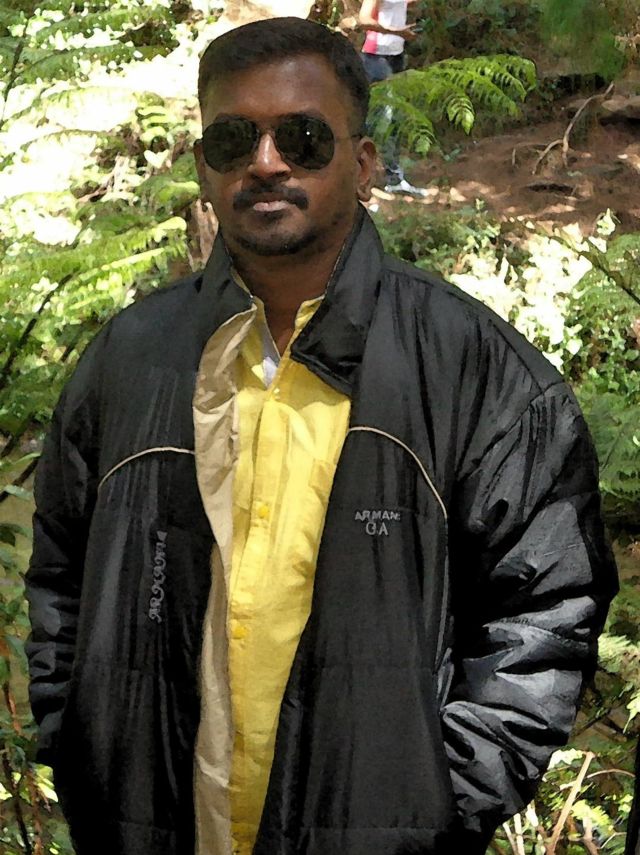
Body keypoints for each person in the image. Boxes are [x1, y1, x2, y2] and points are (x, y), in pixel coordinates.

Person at [25, 16, 617, 855]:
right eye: (234, 139)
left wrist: (438, 798)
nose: (266, 163)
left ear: (364, 164)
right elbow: (60, 576)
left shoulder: (472, 369)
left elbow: (549, 603)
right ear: (205, 167)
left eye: (302, 138)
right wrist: (81, 744)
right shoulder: (129, 360)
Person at [359, 0, 428, 196]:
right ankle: (364, 174)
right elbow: (364, 20)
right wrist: (396, 32)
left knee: (395, 117)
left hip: (396, 56)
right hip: (376, 58)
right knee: (382, 118)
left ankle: (393, 177)